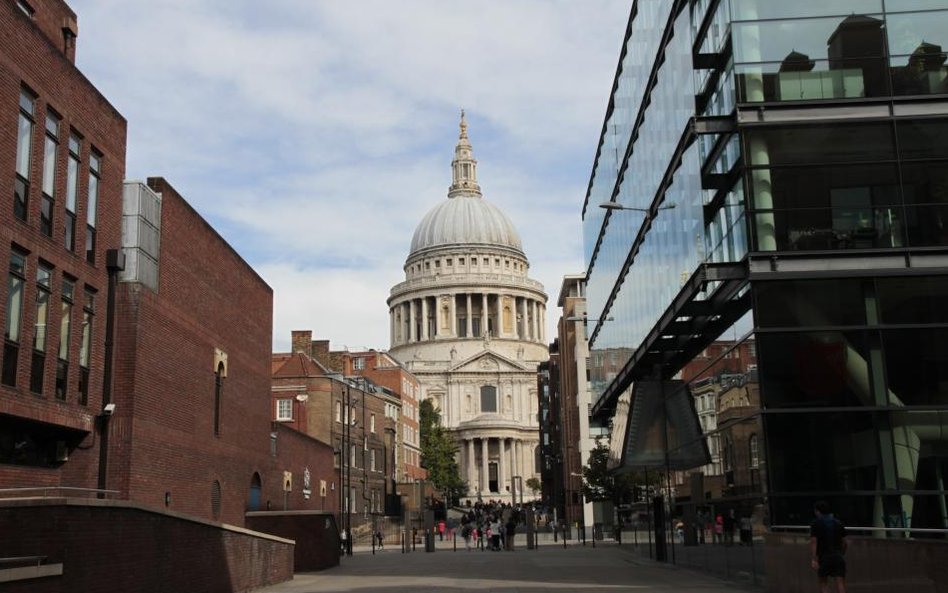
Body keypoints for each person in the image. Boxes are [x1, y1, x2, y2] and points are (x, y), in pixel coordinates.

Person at [810, 500, 847, 593]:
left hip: (824, 556)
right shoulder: (838, 523)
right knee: (840, 582)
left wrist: (814, 559)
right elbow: (845, 541)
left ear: (818, 511)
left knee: (823, 582)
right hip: (838, 556)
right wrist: (841, 553)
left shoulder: (815, 523)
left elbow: (814, 542)